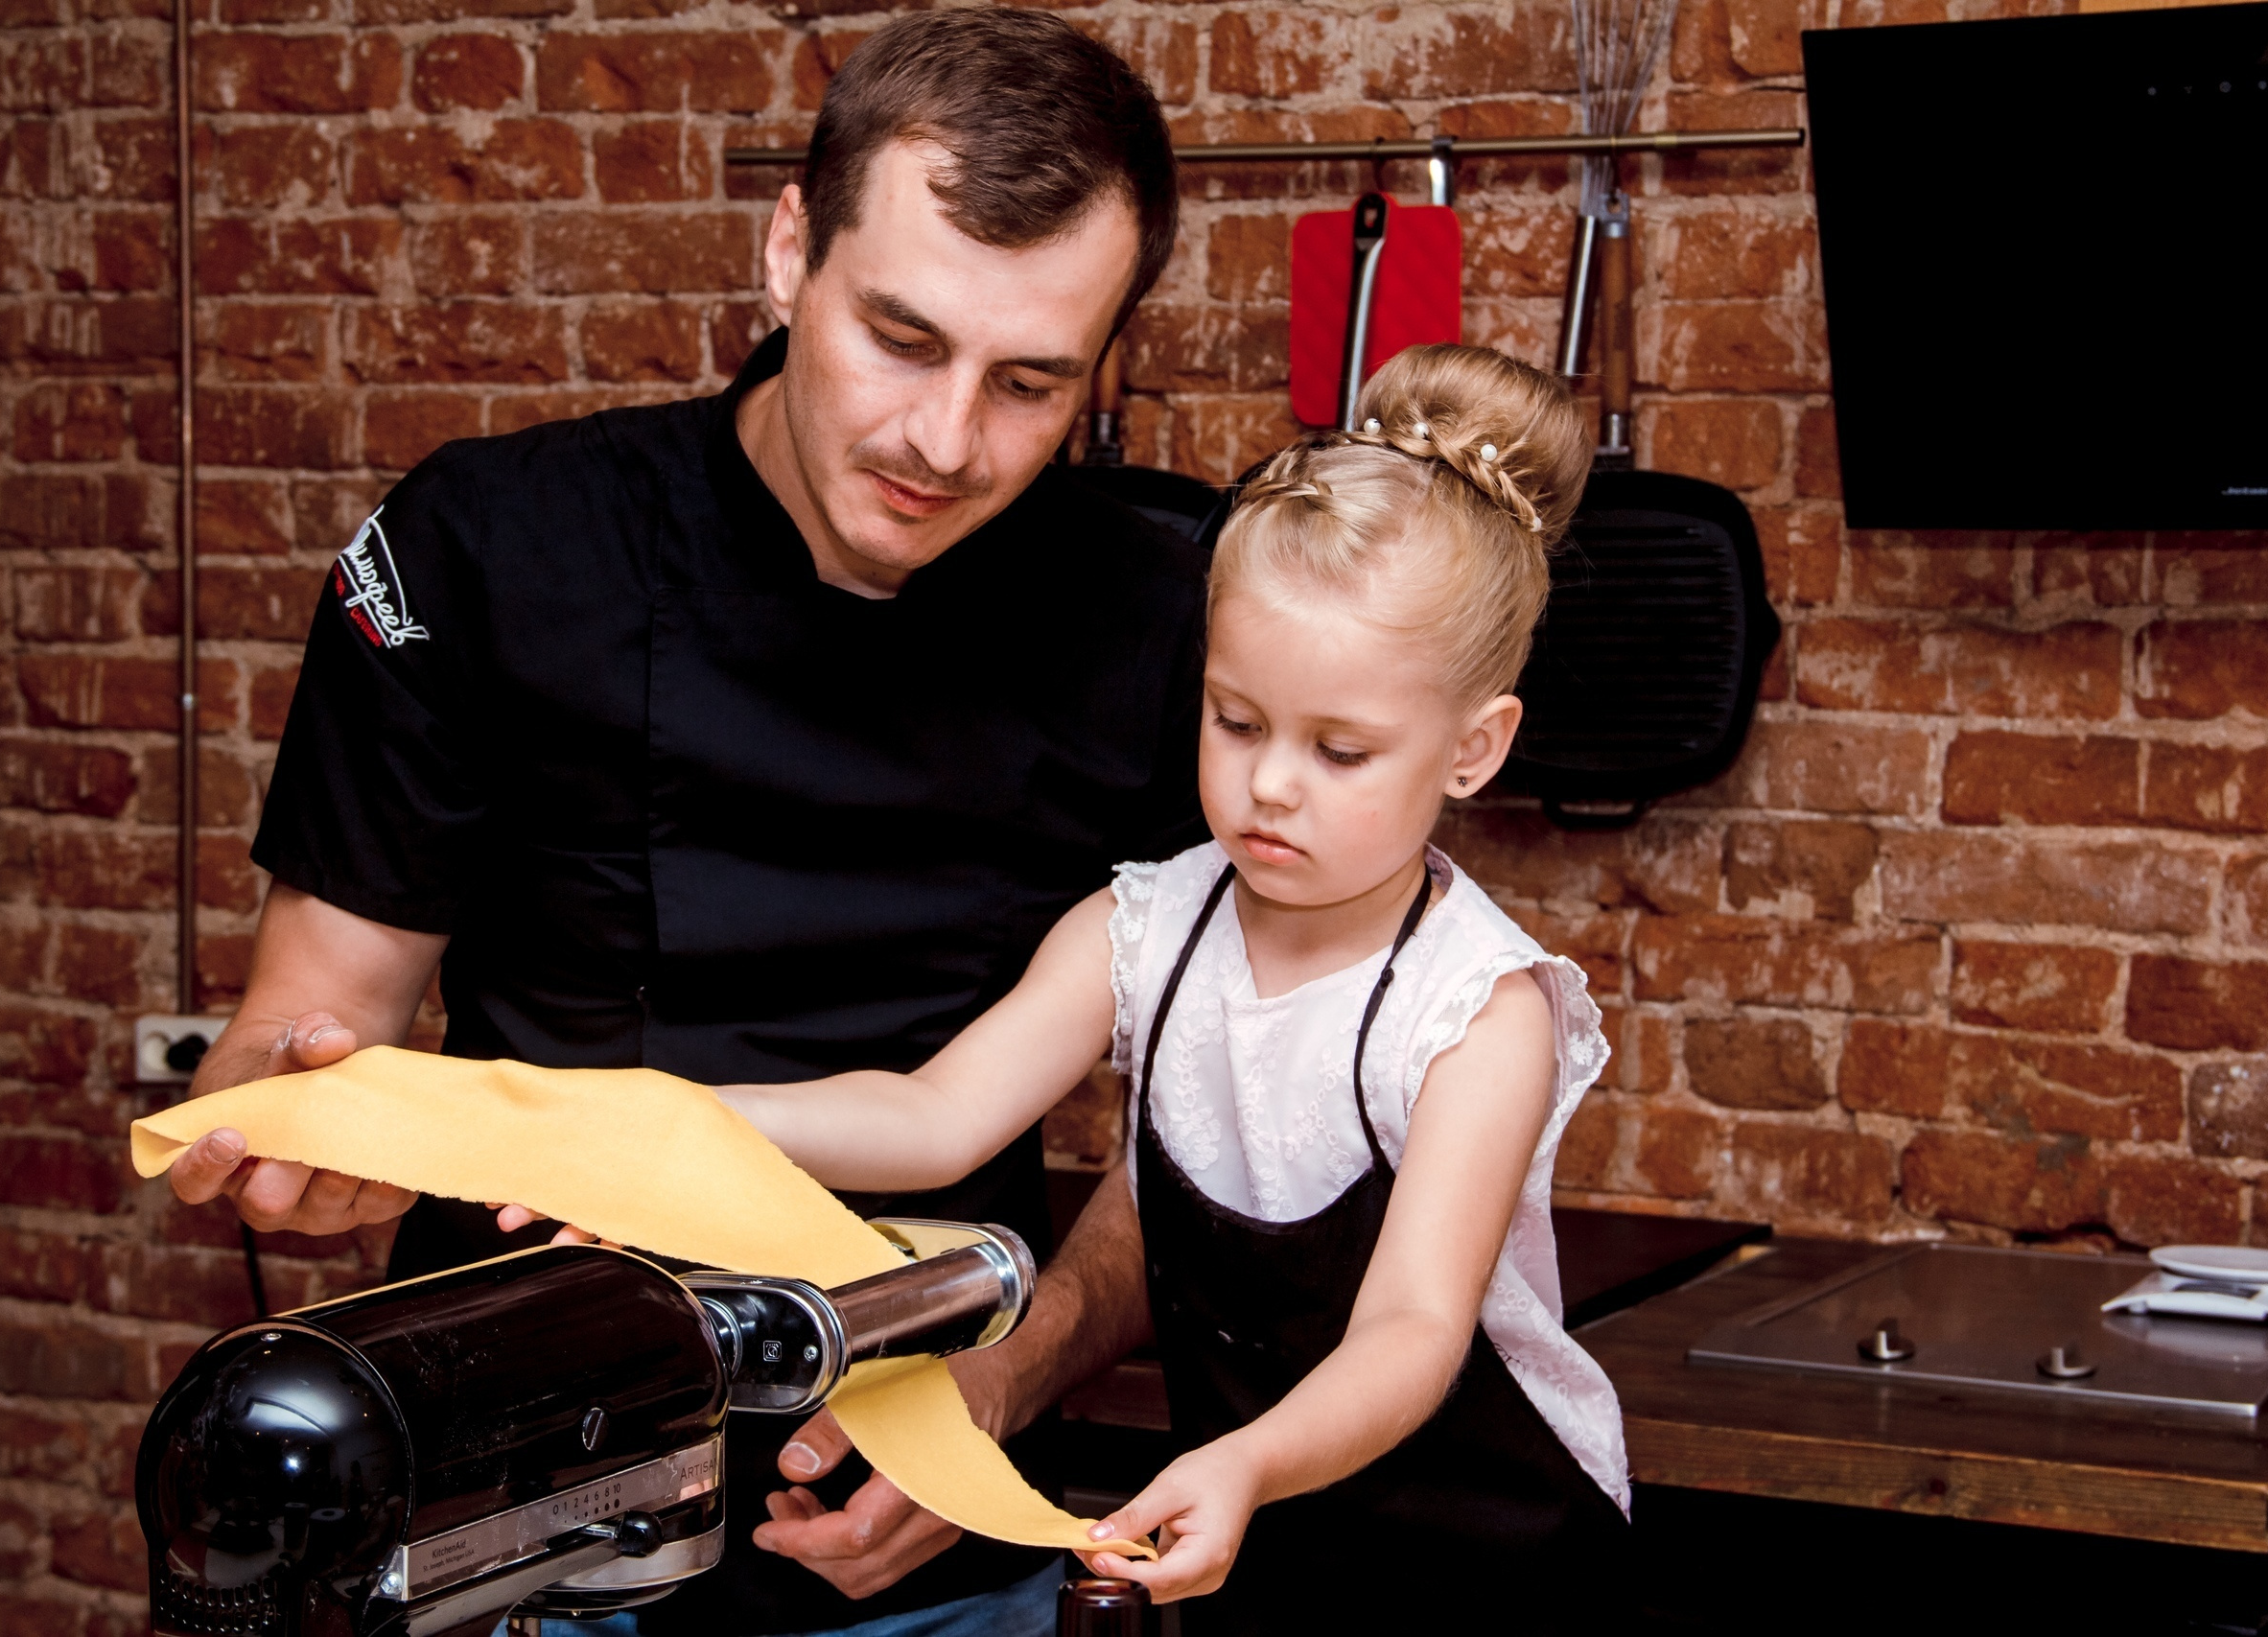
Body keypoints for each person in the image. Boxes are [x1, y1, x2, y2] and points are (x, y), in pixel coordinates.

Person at [159, 12, 1201, 1634]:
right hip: (509, 1515)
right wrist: (294, 1136)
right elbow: (303, 1028)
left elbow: (1194, 1141)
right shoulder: (488, 550)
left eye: (1030, 382)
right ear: (790, 253)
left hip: (929, 1534)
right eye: (901, 338)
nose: (944, 440)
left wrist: (1008, 1382)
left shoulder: (1167, 620)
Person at [685, 346, 1634, 1628]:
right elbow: (934, 1114)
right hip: (1268, 1536)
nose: (1271, 785)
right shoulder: (1150, 927)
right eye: (1235, 722)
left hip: (1493, 1553)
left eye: (1340, 749)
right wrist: (678, 1117)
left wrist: (1248, 1462)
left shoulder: (1476, 1012)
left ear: (1477, 747)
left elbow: (1411, 1332)